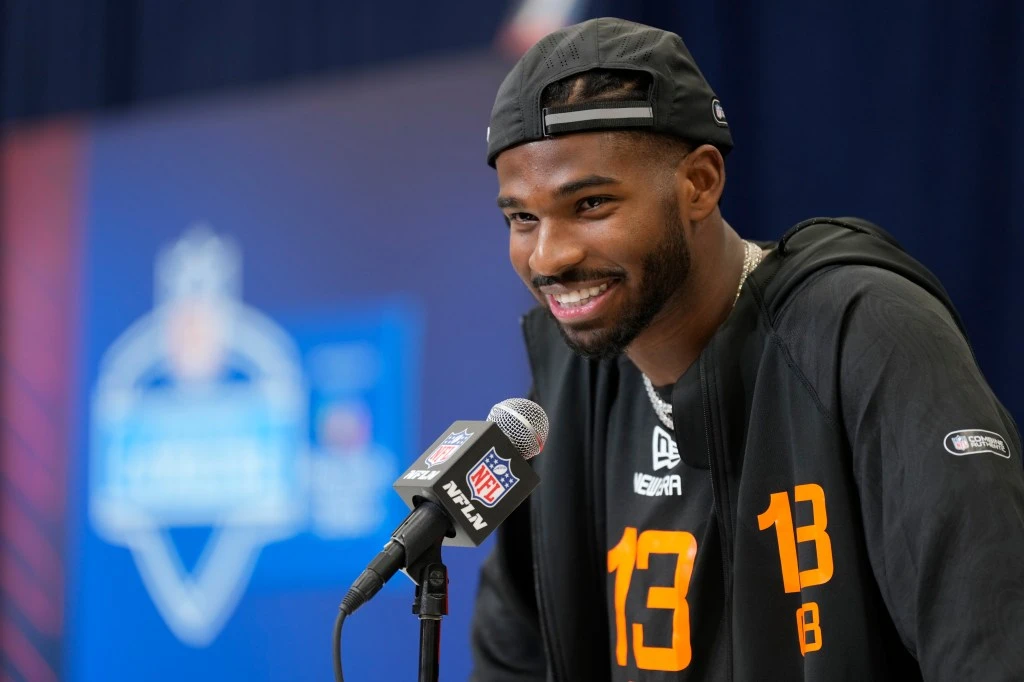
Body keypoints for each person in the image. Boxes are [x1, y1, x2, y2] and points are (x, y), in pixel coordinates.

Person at [470, 16, 1024, 682]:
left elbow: (990, 643)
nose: (549, 255)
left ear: (700, 183)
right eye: (521, 218)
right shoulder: (563, 392)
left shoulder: (865, 329)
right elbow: (513, 661)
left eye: (590, 203)